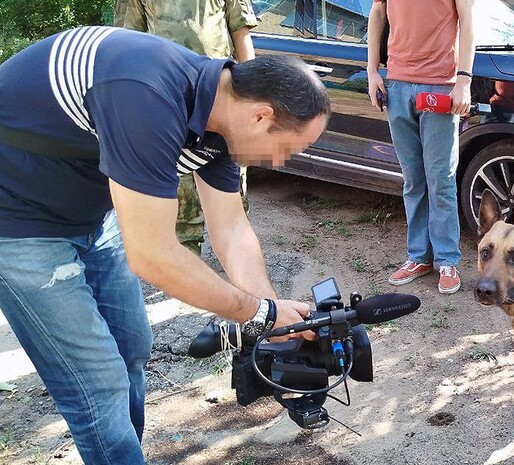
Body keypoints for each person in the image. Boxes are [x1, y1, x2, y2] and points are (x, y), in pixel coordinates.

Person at [0, 26, 329, 464]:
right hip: (17, 220)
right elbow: (152, 255)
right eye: (289, 148)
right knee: (98, 383)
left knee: (131, 348)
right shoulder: (146, 94)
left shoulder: (221, 119)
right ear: (261, 116)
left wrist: (274, 316)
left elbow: (231, 230)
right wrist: (255, 313)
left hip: (91, 212)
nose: (283, 161)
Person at [114, 0, 259, 256]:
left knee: (231, 195)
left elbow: (241, 32)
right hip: (167, 98)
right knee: (179, 196)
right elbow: (128, 41)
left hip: (221, 96)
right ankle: (188, 267)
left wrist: (251, 96)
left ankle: (238, 269)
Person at [366, 0, 475, 294]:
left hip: (439, 85)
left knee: (440, 180)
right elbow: (378, 12)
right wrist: (372, 70)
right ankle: (418, 257)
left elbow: (467, 18)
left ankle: (447, 260)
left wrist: (463, 80)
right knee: (413, 179)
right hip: (397, 85)